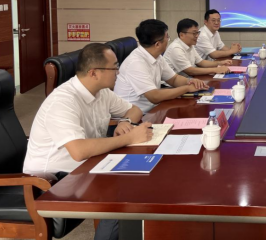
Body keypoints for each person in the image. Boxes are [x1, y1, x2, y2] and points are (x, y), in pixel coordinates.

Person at [23, 43, 153, 240]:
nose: (119, 72)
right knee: (122, 193)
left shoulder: (102, 92)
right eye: (114, 67)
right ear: (94, 73)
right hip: (50, 180)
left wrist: (125, 122)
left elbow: (134, 110)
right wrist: (129, 137)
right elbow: (79, 151)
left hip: (85, 166)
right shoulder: (63, 101)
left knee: (142, 176)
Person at [113, 19, 209, 113]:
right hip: (136, 115)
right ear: (157, 44)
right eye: (167, 37)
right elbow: (154, 97)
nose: (168, 40)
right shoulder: (136, 63)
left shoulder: (157, 56)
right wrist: (186, 88)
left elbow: (174, 79)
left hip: (153, 108)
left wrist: (190, 81)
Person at [165, 18, 234, 77]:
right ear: (182, 35)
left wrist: (220, 63)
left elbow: (201, 62)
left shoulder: (190, 45)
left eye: (197, 33)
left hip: (187, 79)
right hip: (171, 86)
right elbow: (190, 71)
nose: (197, 36)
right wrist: (216, 70)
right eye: (194, 33)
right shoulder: (176, 48)